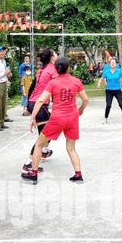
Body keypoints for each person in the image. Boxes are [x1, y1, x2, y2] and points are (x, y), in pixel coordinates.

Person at [22, 57, 90, 185]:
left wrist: (32, 117)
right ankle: (78, 174)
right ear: (69, 67)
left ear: (56, 69)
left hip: (57, 118)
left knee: (39, 144)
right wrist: (81, 109)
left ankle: (33, 173)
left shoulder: (53, 83)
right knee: (71, 148)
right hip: (72, 117)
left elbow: (40, 100)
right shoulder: (76, 81)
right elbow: (85, 99)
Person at [23, 47, 58, 172]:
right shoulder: (52, 70)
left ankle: (43, 151)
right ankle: (29, 162)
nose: (56, 54)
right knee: (43, 135)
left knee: (49, 130)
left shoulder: (41, 70)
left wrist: (28, 105)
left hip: (34, 102)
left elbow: (32, 87)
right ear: (52, 57)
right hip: (40, 104)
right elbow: (56, 89)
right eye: (55, 53)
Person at [97, 57, 122, 124]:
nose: (112, 64)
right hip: (109, 90)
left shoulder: (119, 71)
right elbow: (101, 78)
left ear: (116, 64)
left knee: (121, 104)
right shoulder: (106, 72)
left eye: (114, 62)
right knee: (108, 105)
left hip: (118, 90)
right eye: (111, 63)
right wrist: (99, 83)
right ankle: (105, 118)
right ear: (109, 64)